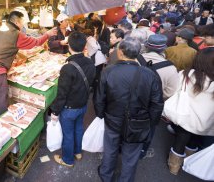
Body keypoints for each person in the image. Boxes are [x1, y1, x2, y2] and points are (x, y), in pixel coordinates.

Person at [95, 37, 163, 182]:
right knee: (131, 155)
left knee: (110, 149)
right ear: (138, 53)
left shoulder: (109, 71)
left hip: (112, 119)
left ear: (120, 52)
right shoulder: (150, 74)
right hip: (139, 122)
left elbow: (99, 97)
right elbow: (157, 103)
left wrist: (100, 115)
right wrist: (151, 123)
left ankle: (106, 175)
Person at [0, 11, 57, 119]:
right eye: (22, 22)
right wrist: (47, 34)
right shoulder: (16, 34)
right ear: (17, 22)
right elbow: (36, 42)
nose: (23, 25)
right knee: (0, 102)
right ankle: (1, 127)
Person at [50, 32, 96, 167]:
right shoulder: (90, 62)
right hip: (83, 104)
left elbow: (62, 94)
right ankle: (77, 152)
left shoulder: (68, 68)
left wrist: (55, 111)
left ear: (69, 45)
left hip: (69, 109)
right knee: (78, 128)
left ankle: (68, 160)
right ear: (84, 46)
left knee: (68, 134)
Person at [167, 48, 214, 175]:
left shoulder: (186, 74)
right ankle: (188, 161)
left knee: (180, 141)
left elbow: (174, 90)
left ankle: (174, 166)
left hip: (186, 117)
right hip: (207, 120)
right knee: (194, 141)